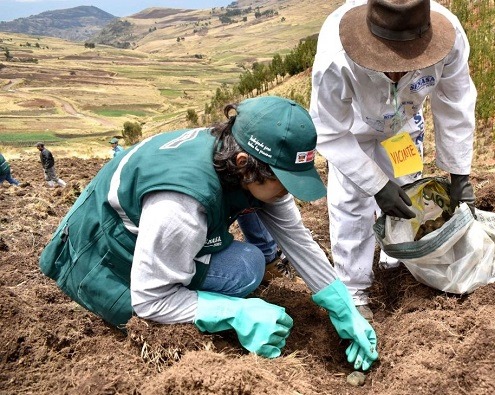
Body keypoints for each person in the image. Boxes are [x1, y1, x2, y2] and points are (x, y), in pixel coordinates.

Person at [38, 96, 378, 371]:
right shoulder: (181, 205)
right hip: (99, 250)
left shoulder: (234, 156)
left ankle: (187, 281)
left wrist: (342, 306)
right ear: (245, 163)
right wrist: (235, 314)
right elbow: (148, 299)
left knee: (247, 261)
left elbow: (298, 239)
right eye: (284, 181)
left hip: (146, 228)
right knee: (242, 271)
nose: (288, 192)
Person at [310, 0, 477, 318]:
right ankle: (355, 289)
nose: (396, 71)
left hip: (402, 124)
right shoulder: (336, 53)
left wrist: (460, 176)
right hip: (353, 128)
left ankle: (398, 260)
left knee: (407, 188)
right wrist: (375, 184)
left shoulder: (450, 37)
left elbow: (455, 103)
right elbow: (329, 131)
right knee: (351, 201)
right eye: (385, 60)